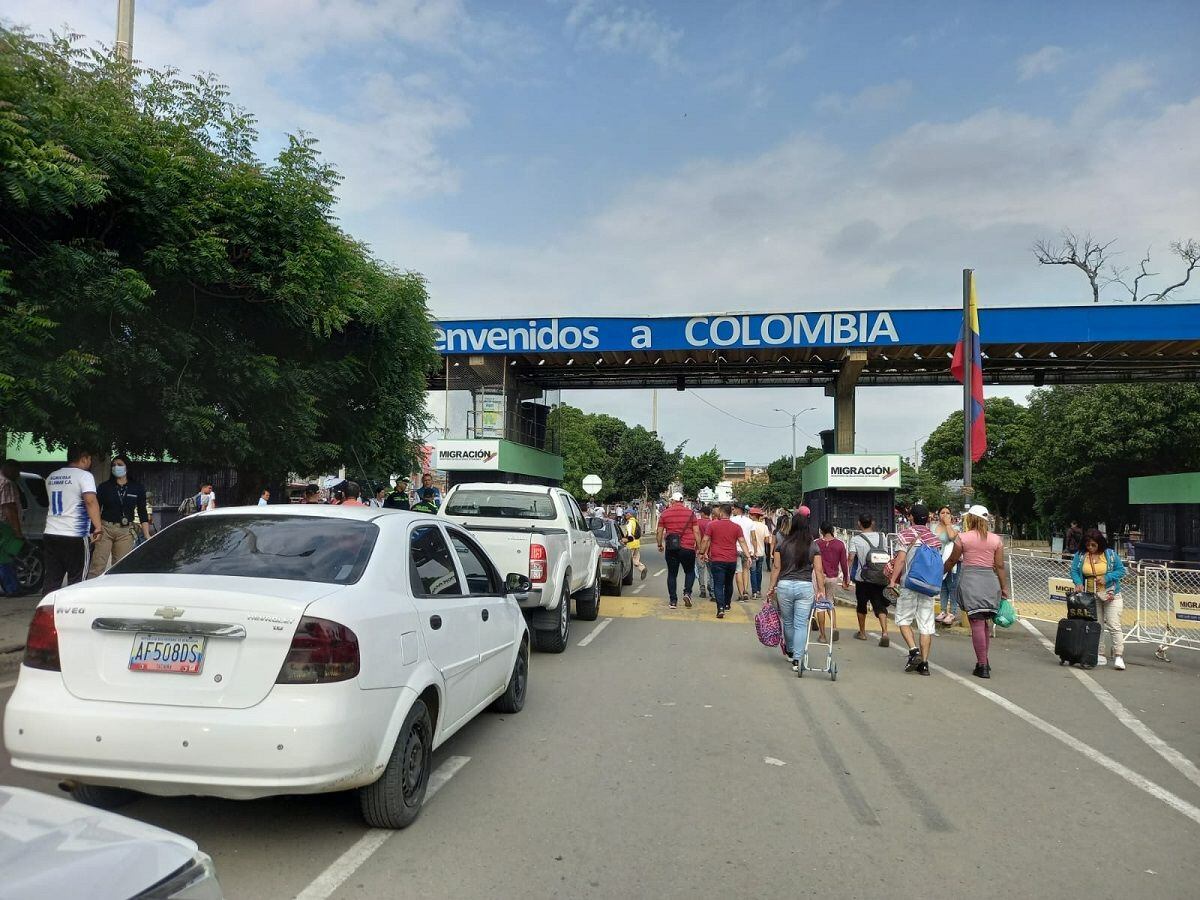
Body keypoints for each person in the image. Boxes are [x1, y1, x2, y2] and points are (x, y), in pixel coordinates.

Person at [944, 504, 1009, 678]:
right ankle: (984, 660)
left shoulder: (963, 538)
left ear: (971, 519)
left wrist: (939, 573)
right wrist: (1003, 588)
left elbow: (952, 561)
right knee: (984, 623)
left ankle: (982, 665)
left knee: (977, 623)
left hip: (971, 583)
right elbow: (1000, 566)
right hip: (991, 583)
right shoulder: (996, 540)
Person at [887, 503, 942, 676]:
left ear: (911, 517)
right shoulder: (934, 538)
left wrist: (892, 581)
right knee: (926, 625)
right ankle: (924, 664)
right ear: (928, 519)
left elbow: (901, 560)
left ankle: (913, 650)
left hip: (909, 584)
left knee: (903, 619)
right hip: (928, 586)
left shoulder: (905, 535)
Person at [767, 511, 825, 673]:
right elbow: (819, 570)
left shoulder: (782, 544)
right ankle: (798, 659)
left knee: (787, 621)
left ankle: (791, 651)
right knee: (801, 624)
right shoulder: (813, 545)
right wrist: (821, 590)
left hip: (784, 586)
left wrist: (771, 588)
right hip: (805, 587)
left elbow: (776, 567)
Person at [42, 446, 102, 592]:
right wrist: (98, 527)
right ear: (84, 458)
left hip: (51, 533)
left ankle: (48, 605)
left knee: (52, 578)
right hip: (75, 535)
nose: (90, 462)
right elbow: (90, 501)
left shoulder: (52, 476)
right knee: (77, 581)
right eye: (90, 459)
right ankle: (73, 606)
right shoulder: (84, 476)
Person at [1071, 528, 1128, 670]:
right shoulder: (1081, 555)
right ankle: (1099, 652)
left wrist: (1107, 577)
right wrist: (1078, 583)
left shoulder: (1110, 554)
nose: (1090, 548)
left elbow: (1121, 570)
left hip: (1111, 595)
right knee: (1097, 625)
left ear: (1100, 543)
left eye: (1093, 545)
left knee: (1114, 625)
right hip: (1092, 595)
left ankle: (1118, 655)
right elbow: (1074, 570)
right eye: (1088, 545)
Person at [89, 455, 151, 578]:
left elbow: (142, 512)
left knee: (121, 568)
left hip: (125, 531)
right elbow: (96, 509)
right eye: (114, 465)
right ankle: (92, 588)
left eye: (120, 465)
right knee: (97, 565)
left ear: (127, 467)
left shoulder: (137, 488)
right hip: (105, 528)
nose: (116, 467)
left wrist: (147, 535)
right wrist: (94, 530)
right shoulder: (104, 487)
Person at [699, 503, 752, 619]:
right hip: (731, 559)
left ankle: (720, 608)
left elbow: (705, 540)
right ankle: (727, 604)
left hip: (717, 559)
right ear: (730, 513)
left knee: (718, 584)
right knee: (728, 583)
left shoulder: (712, 525)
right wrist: (748, 556)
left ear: (721, 512)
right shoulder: (736, 527)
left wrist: (702, 553)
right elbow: (742, 541)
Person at [848, 513, 891, 647]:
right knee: (879, 604)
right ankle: (884, 632)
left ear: (859, 524)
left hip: (862, 577)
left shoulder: (856, 539)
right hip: (880, 577)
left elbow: (851, 558)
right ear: (872, 522)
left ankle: (862, 633)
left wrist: (846, 575)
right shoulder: (882, 537)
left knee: (861, 605)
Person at [657, 492, 701, 609]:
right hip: (688, 548)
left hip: (671, 548)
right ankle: (687, 593)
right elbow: (696, 532)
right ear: (682, 501)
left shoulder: (665, 513)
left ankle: (673, 601)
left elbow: (659, 531)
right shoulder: (691, 513)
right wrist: (700, 548)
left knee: (672, 574)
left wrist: (660, 544)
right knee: (690, 571)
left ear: (672, 501)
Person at [814, 522, 848, 643]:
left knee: (820, 605)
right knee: (830, 602)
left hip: (819, 576)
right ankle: (834, 627)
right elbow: (844, 563)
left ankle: (823, 635)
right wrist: (846, 578)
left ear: (821, 531)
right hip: (833, 577)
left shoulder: (816, 543)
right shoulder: (840, 544)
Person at [0, 460, 24, 595]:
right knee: (6, 557)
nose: (18, 475)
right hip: (4, 526)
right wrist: (17, 530)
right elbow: (9, 508)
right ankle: (12, 588)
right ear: (9, 469)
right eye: (16, 471)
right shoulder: (7, 483)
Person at [933, 505, 960, 625]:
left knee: (952, 586)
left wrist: (948, 525)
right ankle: (943, 610)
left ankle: (952, 612)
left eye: (947, 513)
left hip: (951, 560)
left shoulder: (955, 527)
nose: (945, 515)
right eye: (942, 512)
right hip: (938, 559)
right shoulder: (934, 527)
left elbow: (952, 537)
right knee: (942, 586)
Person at [730, 502, 756, 602]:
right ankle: (745, 591)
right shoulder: (750, 521)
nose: (733, 511)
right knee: (746, 570)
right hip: (747, 550)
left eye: (734, 509)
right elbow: (753, 538)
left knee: (738, 572)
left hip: (736, 549)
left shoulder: (732, 520)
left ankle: (741, 594)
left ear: (737, 509)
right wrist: (754, 550)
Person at [748, 508, 772, 600]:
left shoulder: (750, 525)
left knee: (753, 572)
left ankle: (754, 592)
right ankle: (758, 590)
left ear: (754, 515)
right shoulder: (764, 526)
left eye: (750, 514)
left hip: (752, 552)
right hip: (761, 553)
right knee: (759, 572)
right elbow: (767, 540)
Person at [694, 505, 714, 599]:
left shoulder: (697, 523)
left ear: (702, 513)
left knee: (700, 570)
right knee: (711, 572)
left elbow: (695, 535)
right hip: (711, 551)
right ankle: (711, 587)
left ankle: (702, 590)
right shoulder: (713, 523)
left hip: (699, 550)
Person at [622, 509, 648, 580]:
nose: (625, 515)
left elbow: (629, 531)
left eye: (626, 513)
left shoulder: (629, 522)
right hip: (636, 543)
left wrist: (628, 537)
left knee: (628, 560)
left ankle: (627, 577)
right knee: (635, 559)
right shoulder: (635, 521)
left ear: (630, 514)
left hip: (630, 543)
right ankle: (642, 568)